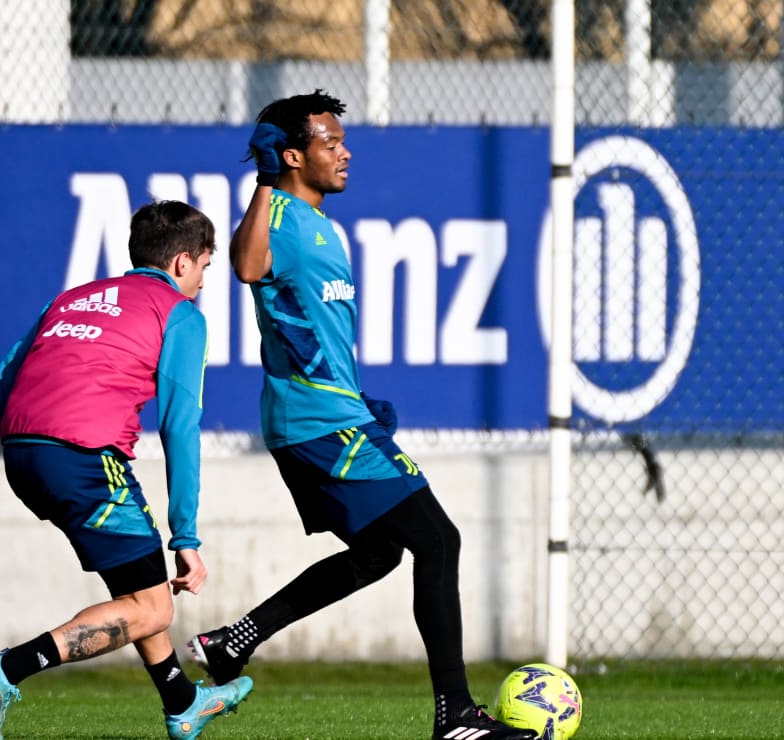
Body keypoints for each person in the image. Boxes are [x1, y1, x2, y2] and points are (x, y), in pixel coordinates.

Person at [187, 90, 536, 740]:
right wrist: (264, 182)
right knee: (438, 540)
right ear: (291, 155)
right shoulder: (282, 213)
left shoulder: (321, 224)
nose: (344, 153)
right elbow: (245, 265)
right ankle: (455, 716)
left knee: (379, 553)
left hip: (332, 412)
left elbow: (312, 330)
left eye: (342, 140)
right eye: (329, 142)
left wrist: (357, 394)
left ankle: (236, 640)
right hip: (319, 420)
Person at [0, 200, 253, 740]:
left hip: (24, 455)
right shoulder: (180, 314)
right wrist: (186, 534)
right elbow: (181, 425)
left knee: (137, 589)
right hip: (86, 459)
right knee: (154, 609)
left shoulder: (70, 300)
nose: (204, 280)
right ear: (182, 263)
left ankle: (183, 703)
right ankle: (7, 668)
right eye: (205, 267)